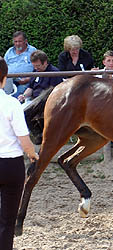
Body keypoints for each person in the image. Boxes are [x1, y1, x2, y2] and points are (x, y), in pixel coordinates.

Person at [0, 56, 39, 250]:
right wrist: (33, 154)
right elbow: (23, 138)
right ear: (5, 78)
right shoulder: (12, 104)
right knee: (7, 221)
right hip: (10, 164)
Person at [4, 31, 37, 97]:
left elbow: (38, 68)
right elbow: (3, 66)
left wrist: (28, 79)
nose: (17, 44)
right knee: (5, 95)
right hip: (10, 80)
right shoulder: (10, 51)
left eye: (20, 41)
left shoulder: (32, 51)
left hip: (26, 81)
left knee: (17, 96)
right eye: (15, 42)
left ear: (25, 41)